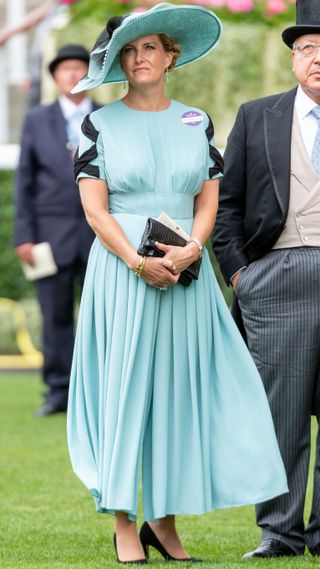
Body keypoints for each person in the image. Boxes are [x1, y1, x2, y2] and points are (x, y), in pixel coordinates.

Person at [67, 3, 288, 564]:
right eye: (131, 49)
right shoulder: (99, 123)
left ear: (172, 57)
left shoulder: (198, 120)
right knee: (123, 390)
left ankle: (163, 522)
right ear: (120, 60)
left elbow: (209, 199)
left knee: (177, 394)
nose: (141, 58)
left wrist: (192, 249)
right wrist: (139, 264)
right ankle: (122, 519)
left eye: (152, 48)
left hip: (188, 274)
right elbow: (95, 211)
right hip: (123, 275)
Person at [212, 0, 320, 559]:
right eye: (308, 49)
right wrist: (240, 275)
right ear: (294, 59)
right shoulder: (258, 116)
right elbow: (226, 206)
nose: (318, 59)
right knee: (282, 414)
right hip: (276, 275)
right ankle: (280, 531)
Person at [15, 44, 99, 416]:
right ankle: (58, 390)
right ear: (54, 77)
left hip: (102, 235)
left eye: (80, 68)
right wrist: (24, 236)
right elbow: (25, 183)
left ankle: (99, 390)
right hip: (49, 236)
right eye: (65, 69)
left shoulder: (108, 116)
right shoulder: (37, 119)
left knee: (102, 316)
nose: (73, 74)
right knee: (55, 316)